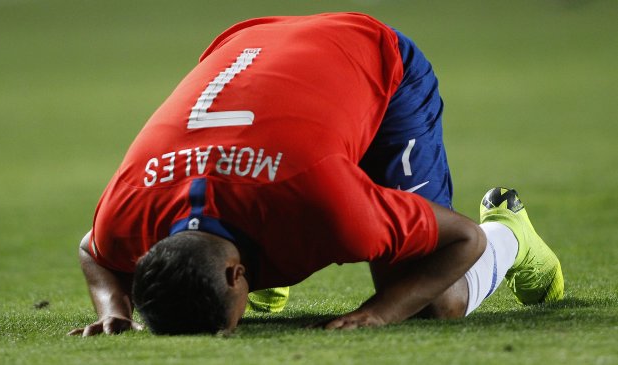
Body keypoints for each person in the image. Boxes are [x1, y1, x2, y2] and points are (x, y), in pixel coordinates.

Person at [69, 12, 564, 336]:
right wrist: (114, 309)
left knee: (436, 303)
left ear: (236, 273)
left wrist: (382, 312)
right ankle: (271, 267)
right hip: (249, 47)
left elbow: (463, 240)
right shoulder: (126, 212)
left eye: (227, 330)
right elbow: (94, 248)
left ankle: (515, 235)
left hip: (373, 59)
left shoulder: (323, 204)